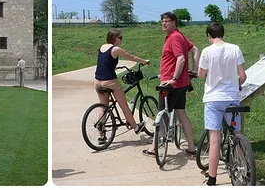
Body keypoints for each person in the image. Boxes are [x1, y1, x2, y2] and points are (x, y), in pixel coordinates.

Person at [142, 12, 199, 157]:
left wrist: (173, 78)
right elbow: (195, 49)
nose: (164, 23)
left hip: (171, 85)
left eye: (167, 21)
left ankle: (154, 148)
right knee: (182, 114)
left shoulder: (174, 38)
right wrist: (194, 69)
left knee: (161, 114)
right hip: (182, 84)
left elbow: (180, 59)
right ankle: (191, 147)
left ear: (174, 22)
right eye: (162, 21)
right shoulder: (180, 36)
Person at [198, 22, 247, 186]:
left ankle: (212, 178)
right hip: (232, 97)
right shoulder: (235, 49)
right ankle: (242, 168)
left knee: (214, 140)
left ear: (208, 36)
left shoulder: (206, 51)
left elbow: (201, 75)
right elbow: (242, 75)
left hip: (213, 99)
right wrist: (236, 85)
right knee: (237, 133)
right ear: (223, 34)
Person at [95, 29, 150, 143]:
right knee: (124, 105)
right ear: (114, 38)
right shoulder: (115, 49)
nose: (121, 40)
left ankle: (101, 134)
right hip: (110, 81)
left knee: (103, 106)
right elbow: (132, 57)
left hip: (98, 82)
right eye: (120, 38)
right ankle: (136, 127)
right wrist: (144, 61)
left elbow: (105, 62)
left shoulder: (102, 47)